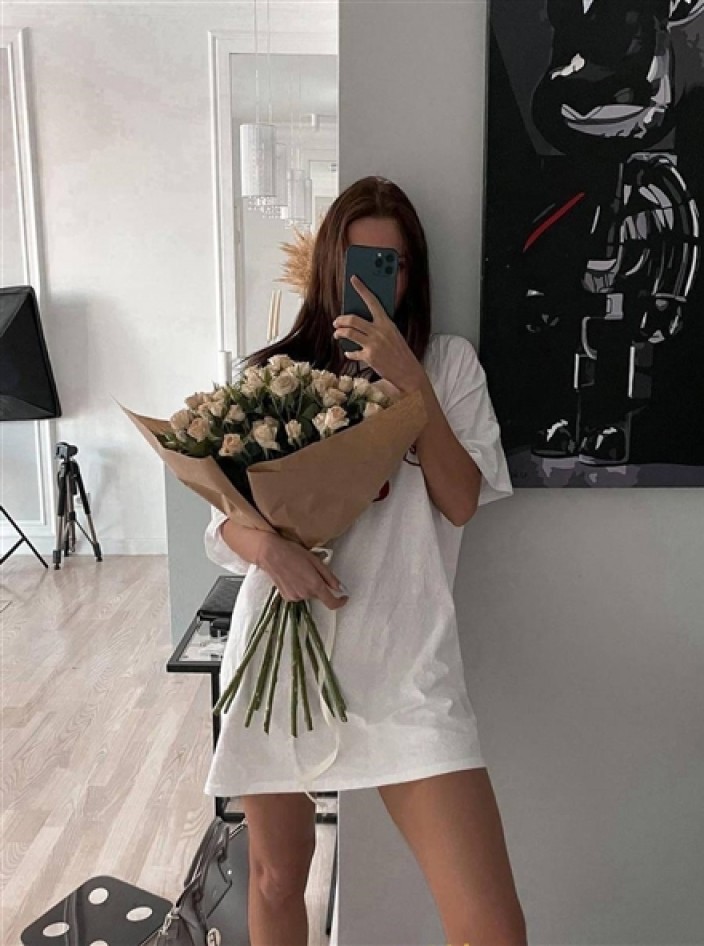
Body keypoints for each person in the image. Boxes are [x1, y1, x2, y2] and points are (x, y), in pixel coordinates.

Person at [202, 175, 527, 946]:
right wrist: (272, 551)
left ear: (413, 274)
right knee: (278, 876)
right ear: (329, 265)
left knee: (492, 926)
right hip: (283, 661)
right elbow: (224, 522)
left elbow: (460, 501)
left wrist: (410, 385)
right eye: (359, 261)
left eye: (395, 264)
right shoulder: (273, 373)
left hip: (406, 662)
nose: (377, 280)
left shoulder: (447, 366)